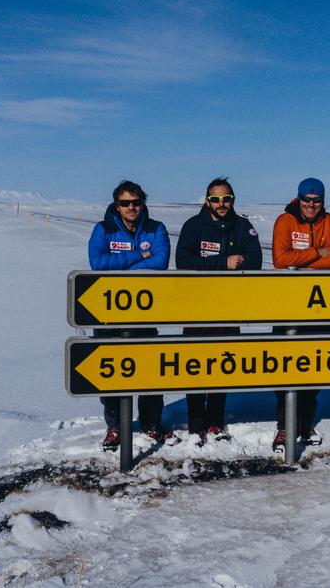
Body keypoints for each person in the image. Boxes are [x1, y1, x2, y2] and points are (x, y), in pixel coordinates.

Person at [175, 177, 262, 445]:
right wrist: (223, 263)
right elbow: (183, 262)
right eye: (216, 199)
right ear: (207, 201)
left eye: (226, 198)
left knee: (221, 364)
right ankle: (196, 423)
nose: (221, 203)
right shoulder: (193, 226)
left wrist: (215, 264)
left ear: (233, 199)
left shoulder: (243, 227)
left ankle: (214, 421)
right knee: (195, 365)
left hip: (228, 307)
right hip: (197, 309)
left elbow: (255, 261)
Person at [88, 180, 172, 451]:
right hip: (109, 312)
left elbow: (159, 263)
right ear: (117, 205)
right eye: (125, 203)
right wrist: (139, 254)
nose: (131, 207)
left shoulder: (156, 228)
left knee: (149, 370)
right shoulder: (104, 229)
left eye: (136, 202)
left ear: (143, 203)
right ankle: (115, 427)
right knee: (112, 373)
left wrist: (123, 263)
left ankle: (150, 424)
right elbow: (98, 263)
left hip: (146, 313)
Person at [270, 177, 330, 450]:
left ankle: (305, 422)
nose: (311, 205)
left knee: (316, 365)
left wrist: (309, 266)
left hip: (322, 307)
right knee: (286, 368)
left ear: (322, 202)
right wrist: (318, 252)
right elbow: (281, 260)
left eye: (316, 201)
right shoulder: (285, 221)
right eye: (306, 200)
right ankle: (284, 426)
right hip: (287, 306)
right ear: (299, 200)